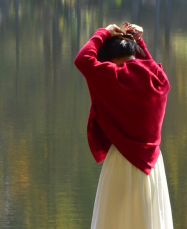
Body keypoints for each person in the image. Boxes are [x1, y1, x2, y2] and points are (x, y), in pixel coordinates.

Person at [74, 22, 173, 229]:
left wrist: (104, 32)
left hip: (121, 161)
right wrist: (139, 42)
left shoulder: (112, 77)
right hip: (153, 166)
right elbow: (151, 64)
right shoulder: (159, 80)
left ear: (114, 59)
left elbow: (82, 59)